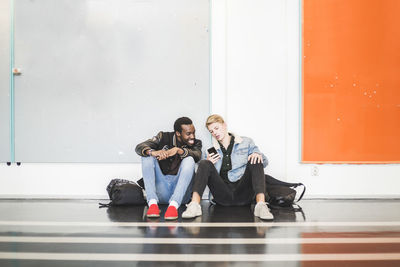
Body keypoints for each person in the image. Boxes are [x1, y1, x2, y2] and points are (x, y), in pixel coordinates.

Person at [182, 114, 274, 220]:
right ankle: (194, 205)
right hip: (222, 195)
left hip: (243, 193)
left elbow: (265, 163)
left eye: (216, 128)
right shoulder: (209, 149)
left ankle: (261, 205)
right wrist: (209, 162)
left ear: (224, 125)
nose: (215, 133)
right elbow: (200, 175)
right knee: (204, 163)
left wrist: (257, 154)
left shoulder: (246, 142)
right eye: (211, 131)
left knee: (256, 159)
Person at [135, 117, 202, 220]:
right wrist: (153, 152)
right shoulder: (163, 137)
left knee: (190, 159)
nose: (192, 136)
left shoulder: (196, 143)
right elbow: (139, 147)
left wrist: (178, 150)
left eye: (193, 132)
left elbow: (197, 155)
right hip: (161, 191)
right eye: (188, 134)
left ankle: (173, 206)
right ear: (178, 133)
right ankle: (152, 204)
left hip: (181, 195)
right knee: (147, 156)